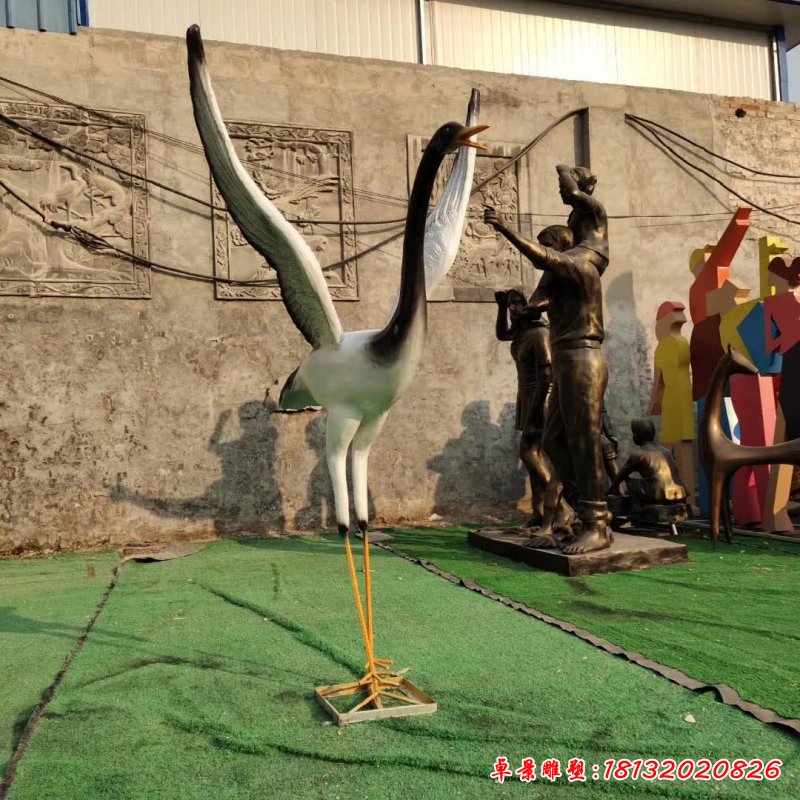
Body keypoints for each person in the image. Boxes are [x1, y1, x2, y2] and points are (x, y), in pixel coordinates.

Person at [485, 164, 611, 554]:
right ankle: (578, 513)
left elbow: (545, 257)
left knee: (584, 442)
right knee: (555, 443)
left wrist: (505, 228)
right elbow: (537, 300)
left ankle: (598, 523)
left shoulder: (584, 266)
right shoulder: (566, 272)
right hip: (566, 360)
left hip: (583, 358)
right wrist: (511, 306)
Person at [494, 286, 552, 526]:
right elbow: (502, 335)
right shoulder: (521, 334)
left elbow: (547, 376)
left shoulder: (539, 334)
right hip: (527, 397)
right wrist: (500, 307)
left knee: (527, 453)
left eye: (517, 303)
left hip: (541, 398)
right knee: (534, 456)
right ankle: (539, 512)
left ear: (529, 305)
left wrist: (535, 410)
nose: (513, 309)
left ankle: (563, 504)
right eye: (510, 305)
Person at [607, 419, 687, 509]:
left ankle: (638, 511)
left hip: (659, 494)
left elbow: (621, 475)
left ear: (636, 436)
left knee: (631, 482)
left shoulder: (638, 454)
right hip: (680, 492)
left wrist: (608, 492)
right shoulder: (666, 451)